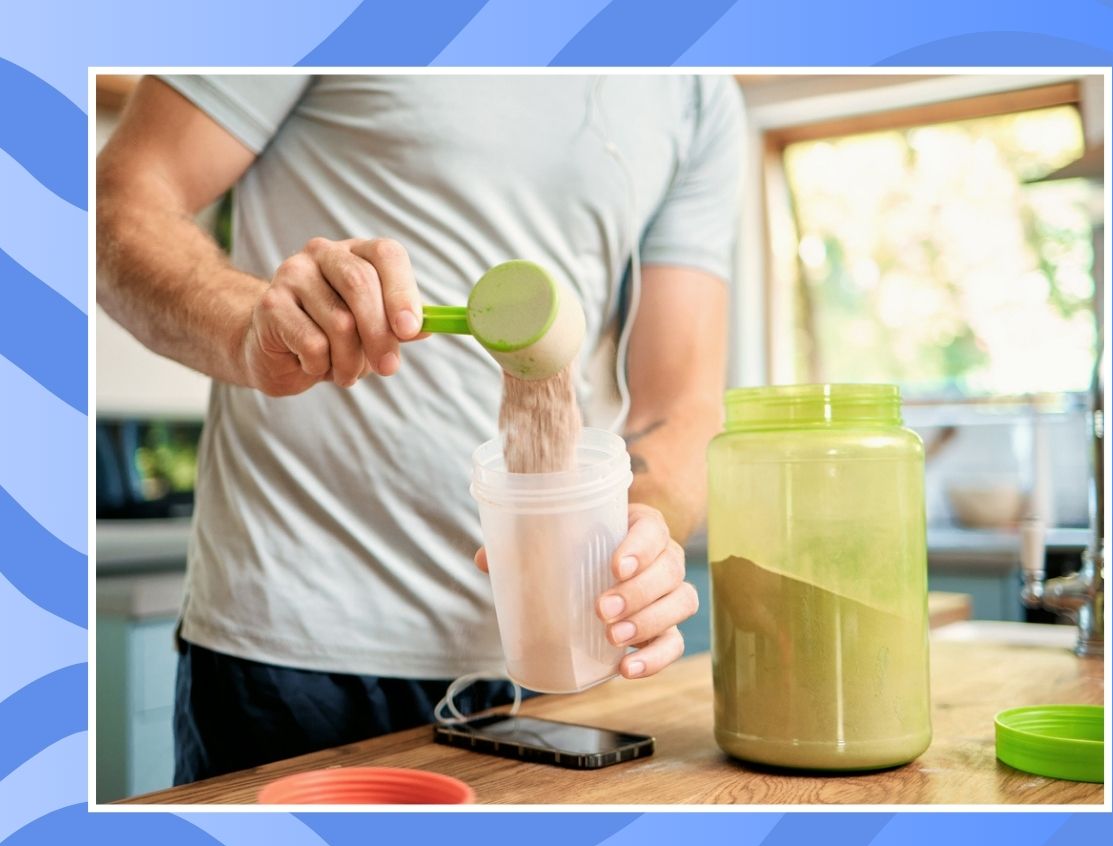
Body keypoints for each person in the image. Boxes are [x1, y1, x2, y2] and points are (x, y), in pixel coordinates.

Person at [97, 74, 745, 784]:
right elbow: (115, 202)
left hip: (545, 678)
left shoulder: (696, 87)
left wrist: (642, 529)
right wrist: (250, 323)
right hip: (292, 656)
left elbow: (681, 405)